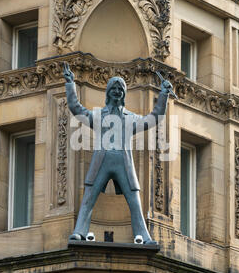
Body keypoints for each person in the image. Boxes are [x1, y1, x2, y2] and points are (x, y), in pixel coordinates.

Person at [63, 62, 173, 244]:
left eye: (120, 89)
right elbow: (76, 108)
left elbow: (154, 117)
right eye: (113, 88)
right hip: (102, 161)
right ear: (107, 92)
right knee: (89, 197)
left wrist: (164, 94)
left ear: (124, 94)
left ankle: (144, 236)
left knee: (134, 200)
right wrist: (69, 83)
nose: (116, 91)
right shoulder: (98, 116)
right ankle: (80, 232)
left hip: (123, 162)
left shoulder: (132, 118)